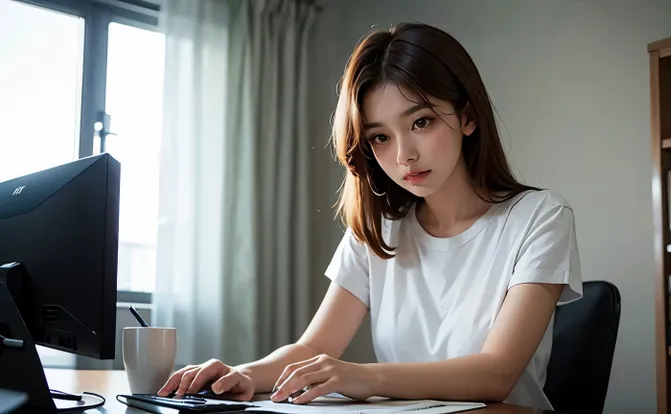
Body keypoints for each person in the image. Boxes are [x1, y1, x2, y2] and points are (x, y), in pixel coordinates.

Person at [157, 22, 583, 411]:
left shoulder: (539, 217)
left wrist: (363, 376)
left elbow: (497, 374)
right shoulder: (380, 231)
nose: (403, 156)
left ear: (468, 116)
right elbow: (313, 347)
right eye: (380, 136)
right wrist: (243, 373)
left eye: (421, 121)